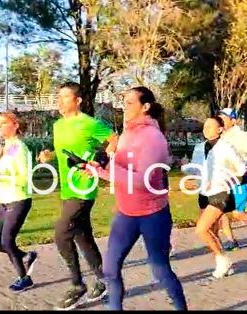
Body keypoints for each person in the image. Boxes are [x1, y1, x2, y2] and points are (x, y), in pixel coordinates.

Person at [92, 86, 187, 310]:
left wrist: (106, 172)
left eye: (129, 103)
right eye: (124, 102)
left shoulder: (154, 138)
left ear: (145, 107)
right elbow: (120, 170)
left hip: (153, 214)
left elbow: (141, 180)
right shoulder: (127, 133)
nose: (124, 107)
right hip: (126, 213)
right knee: (110, 268)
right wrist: (99, 168)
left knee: (159, 270)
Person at [37, 82, 119, 310]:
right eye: (59, 96)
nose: (60, 101)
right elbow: (63, 151)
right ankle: (104, 280)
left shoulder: (90, 124)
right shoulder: (58, 125)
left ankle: (76, 284)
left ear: (78, 100)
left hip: (84, 187)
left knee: (61, 234)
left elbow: (114, 140)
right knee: (83, 235)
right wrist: (49, 155)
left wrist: (101, 159)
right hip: (66, 188)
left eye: (65, 97)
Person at [182, 116, 247, 279]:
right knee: (211, 231)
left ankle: (222, 259)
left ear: (220, 129)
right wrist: (185, 168)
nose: (206, 129)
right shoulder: (199, 147)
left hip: (221, 193)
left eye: (211, 126)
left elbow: (242, 169)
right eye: (205, 126)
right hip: (204, 193)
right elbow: (196, 171)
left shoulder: (226, 147)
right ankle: (223, 263)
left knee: (201, 229)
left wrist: (228, 178)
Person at [0, 112, 38, 292]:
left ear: (15, 125)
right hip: (4, 200)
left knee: (7, 241)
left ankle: (24, 278)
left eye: (4, 123)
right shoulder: (2, 149)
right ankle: (25, 256)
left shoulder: (19, 148)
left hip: (19, 199)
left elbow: (23, 179)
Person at [216, 108, 247, 250]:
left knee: (238, 213)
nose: (220, 119)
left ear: (233, 120)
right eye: (220, 116)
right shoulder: (219, 137)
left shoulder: (242, 136)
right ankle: (231, 241)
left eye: (224, 117)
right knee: (221, 211)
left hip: (240, 179)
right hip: (223, 179)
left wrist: (242, 166)